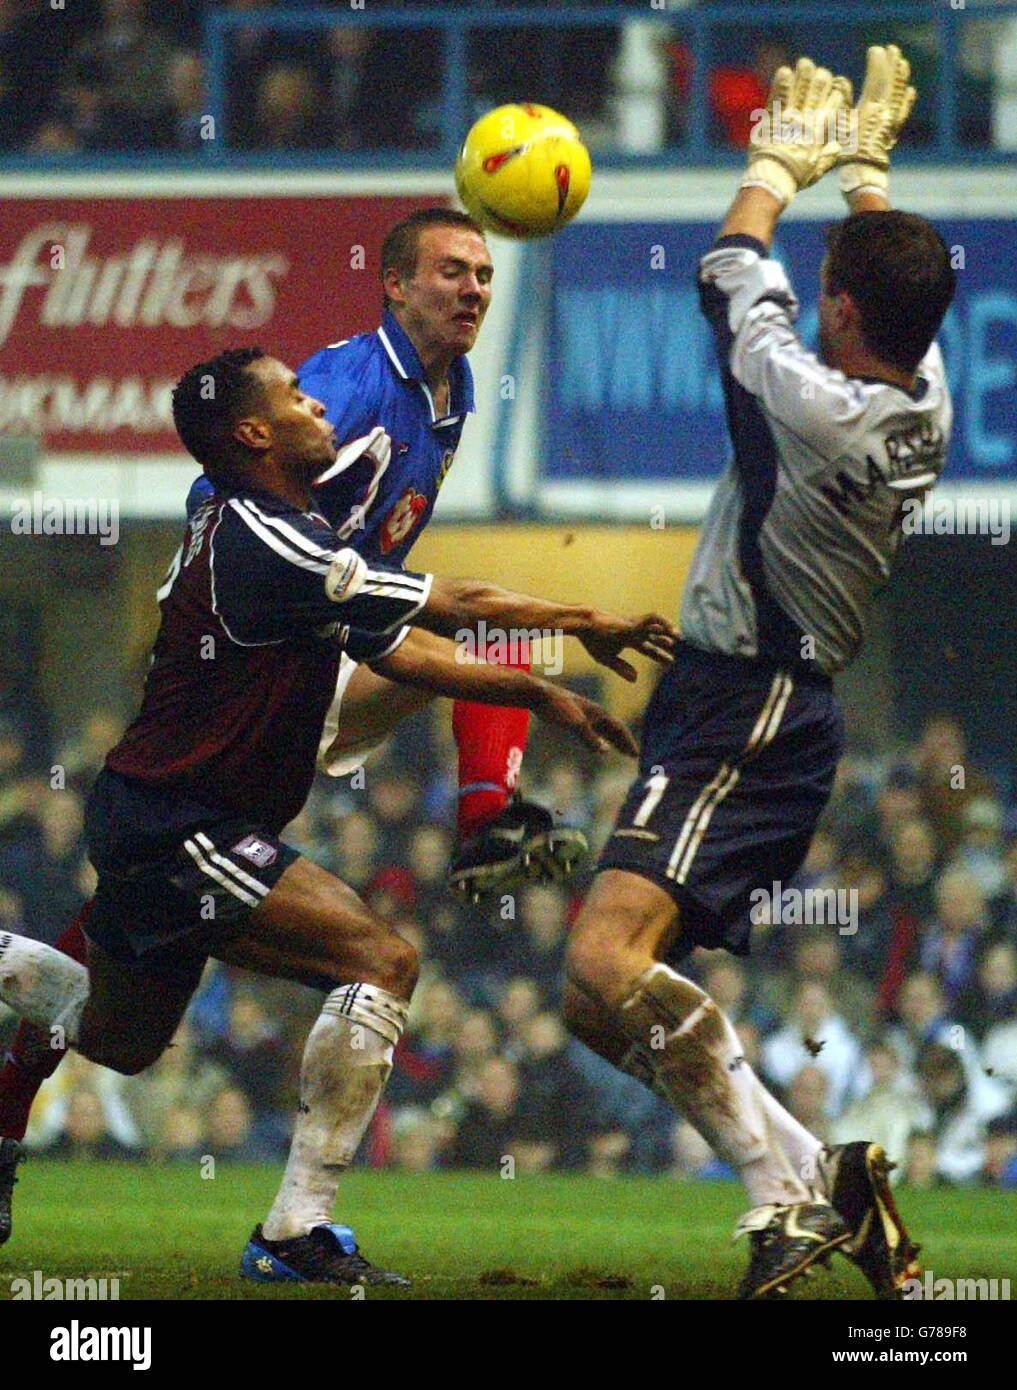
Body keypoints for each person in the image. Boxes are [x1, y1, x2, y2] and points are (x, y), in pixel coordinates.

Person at [0, 346, 674, 1280]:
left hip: (163, 816)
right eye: (294, 397)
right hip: (180, 826)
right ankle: (292, 1233)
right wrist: (586, 622)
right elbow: (453, 602)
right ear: (254, 432)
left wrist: (538, 693)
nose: (318, 407)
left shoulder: (286, 532)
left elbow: (398, 650)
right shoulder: (271, 540)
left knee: (117, 1040)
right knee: (381, 960)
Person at [560, 48, 956, 1298]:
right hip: (750, 699)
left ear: (839, 313)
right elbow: (895, 289)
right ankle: (826, 1176)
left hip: (752, 701)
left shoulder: (809, 405)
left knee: (603, 964)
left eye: (834, 294)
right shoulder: (928, 398)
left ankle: (780, 1202)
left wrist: (776, 169)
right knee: (595, 1002)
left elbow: (730, 274)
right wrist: (870, 179)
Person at [197, 207, 594, 901]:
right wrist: (296, 576)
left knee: (495, 637)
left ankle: (484, 828)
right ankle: (482, 828)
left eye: (483, 275)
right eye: (452, 272)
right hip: (265, 659)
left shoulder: (453, 391)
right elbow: (215, 493)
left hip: (335, 642)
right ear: (396, 286)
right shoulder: (351, 384)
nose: (473, 289)